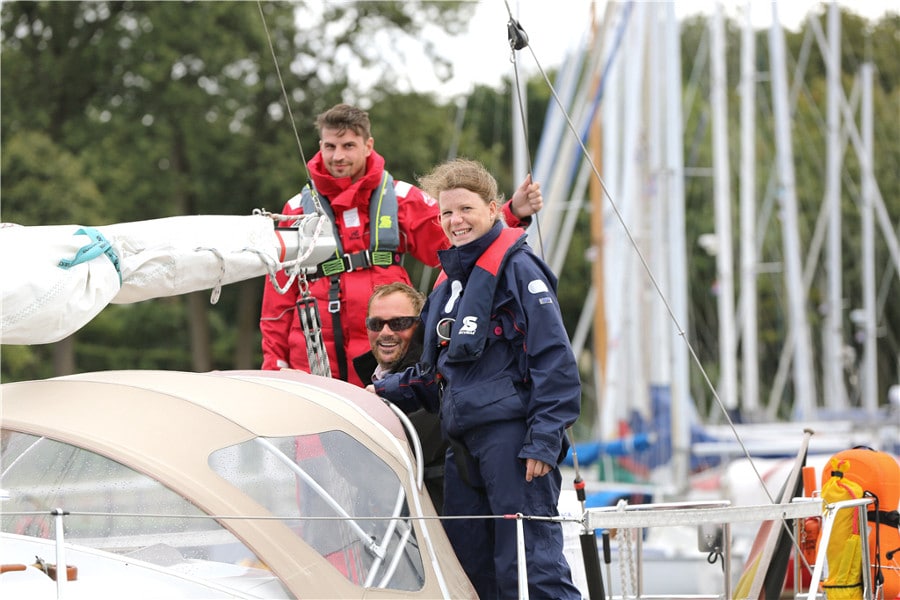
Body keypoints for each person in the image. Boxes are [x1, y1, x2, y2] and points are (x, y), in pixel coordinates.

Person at [371, 158, 581, 599]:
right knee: (469, 568)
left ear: (492, 210)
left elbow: (555, 360)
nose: (455, 221)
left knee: (530, 568)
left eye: (465, 209)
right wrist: (375, 394)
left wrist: (544, 438)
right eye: (446, 213)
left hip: (514, 445)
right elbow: (432, 377)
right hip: (462, 450)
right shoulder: (449, 287)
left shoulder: (519, 269)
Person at [260, 103, 543, 387]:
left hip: (388, 350)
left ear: (368, 145)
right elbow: (278, 297)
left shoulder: (400, 198)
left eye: (348, 145)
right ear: (320, 145)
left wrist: (511, 212)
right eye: (330, 146)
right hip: (314, 356)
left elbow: (458, 236)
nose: (338, 156)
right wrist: (274, 364)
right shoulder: (296, 210)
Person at [352, 282, 447, 514]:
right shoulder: (372, 379)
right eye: (376, 324)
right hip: (390, 531)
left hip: (429, 530)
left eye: (399, 323)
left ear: (420, 328)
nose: (385, 332)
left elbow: (390, 453)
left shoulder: (433, 381)